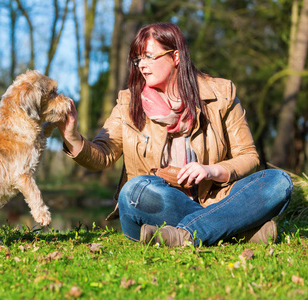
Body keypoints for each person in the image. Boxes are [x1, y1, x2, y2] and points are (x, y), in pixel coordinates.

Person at [57, 22, 293, 247]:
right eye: (138, 59)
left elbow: (249, 156)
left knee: (278, 182)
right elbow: (102, 155)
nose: (141, 65)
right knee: (134, 191)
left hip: (215, 199)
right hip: (154, 205)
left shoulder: (221, 95)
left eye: (149, 56)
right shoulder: (128, 103)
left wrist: (211, 170)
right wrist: (72, 136)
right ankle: (233, 231)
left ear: (176, 56)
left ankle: (185, 235)